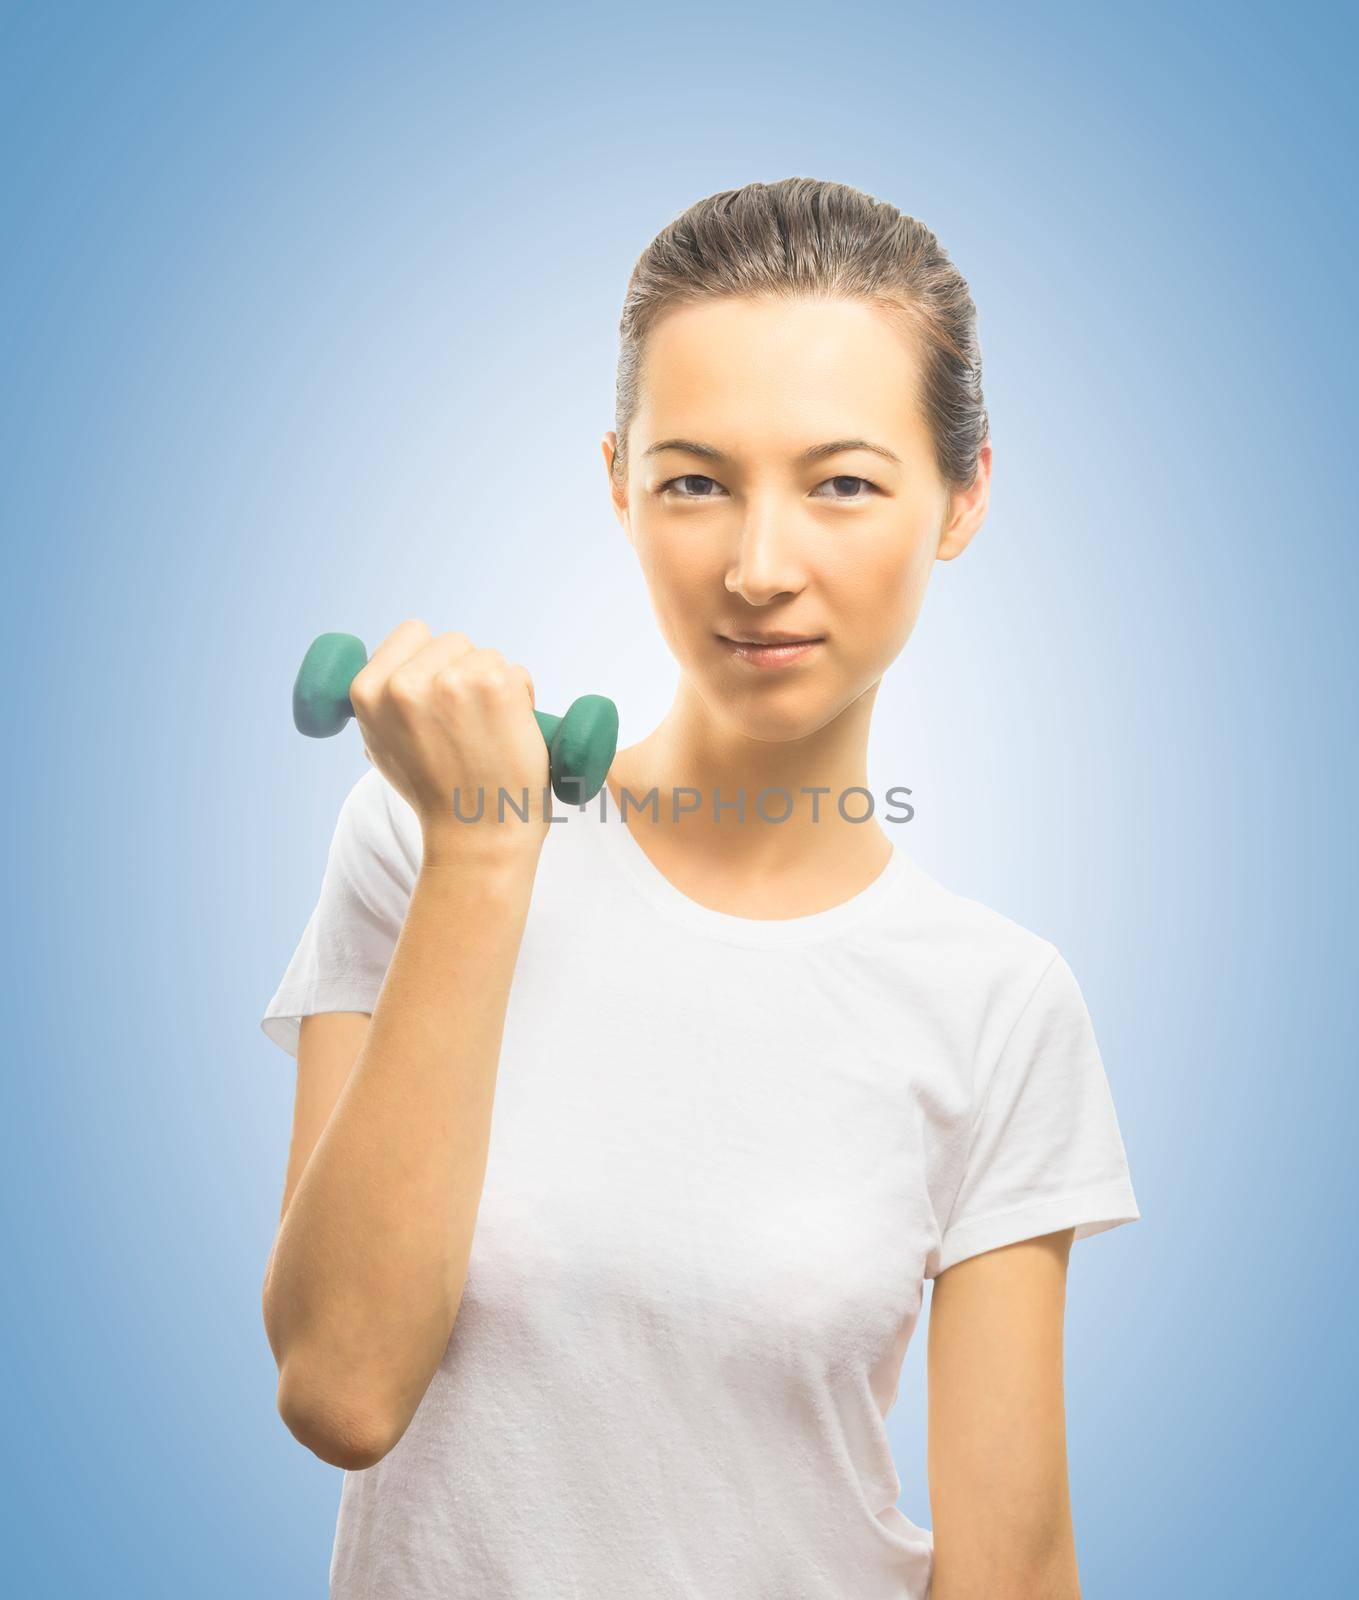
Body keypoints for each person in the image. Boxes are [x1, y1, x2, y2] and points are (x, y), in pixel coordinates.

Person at [259, 177, 1140, 1600]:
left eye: (843, 481)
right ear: (618, 481)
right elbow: (340, 1389)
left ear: (963, 499)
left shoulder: (1002, 1004)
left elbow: (1016, 1569)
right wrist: (485, 854)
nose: (759, 566)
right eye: (696, 480)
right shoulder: (414, 841)